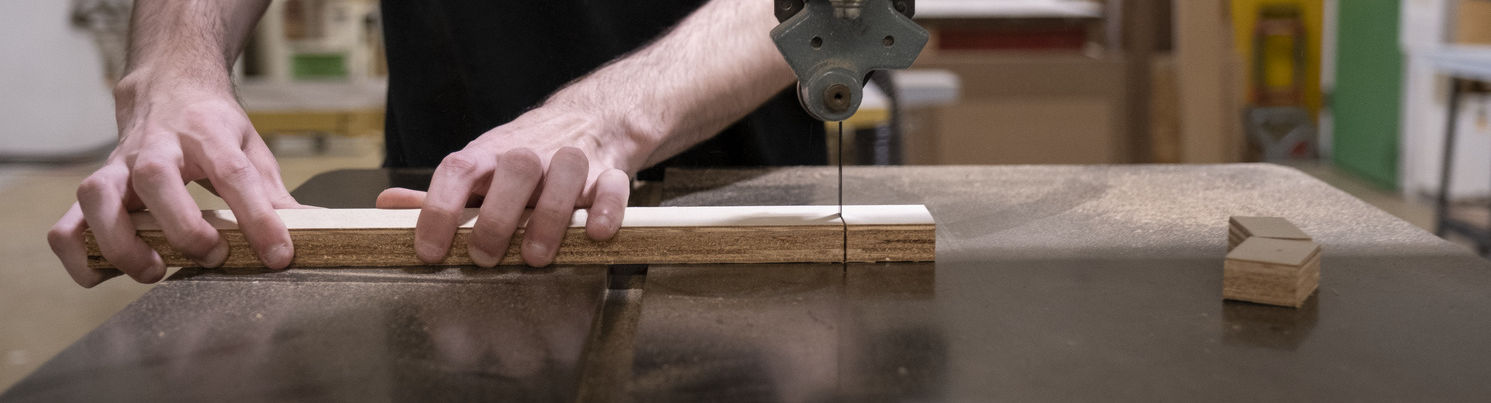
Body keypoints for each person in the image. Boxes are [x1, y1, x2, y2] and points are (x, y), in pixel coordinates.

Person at [47, 0, 826, 287]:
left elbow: (832, 9)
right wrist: (175, 65)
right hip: (428, 216)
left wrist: (611, 116)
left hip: (729, 196)